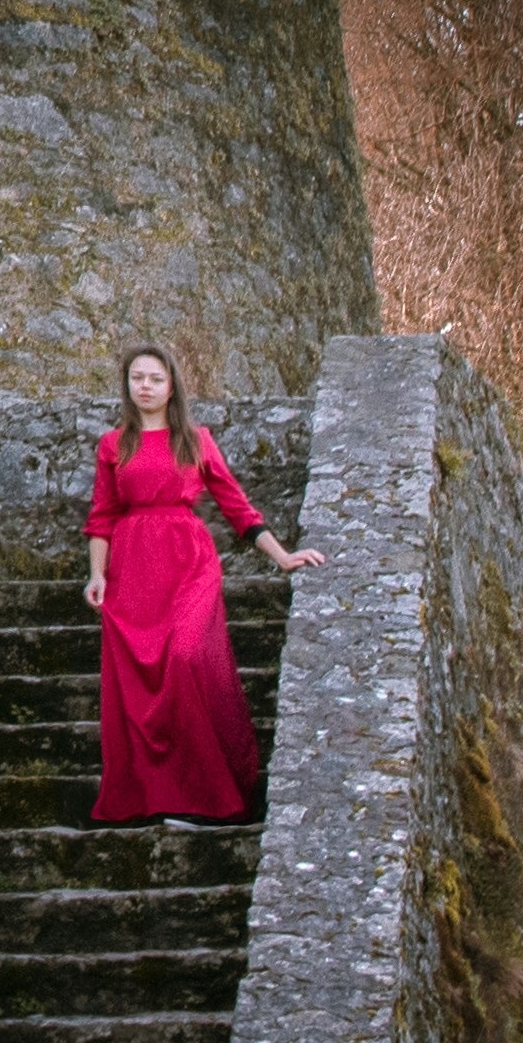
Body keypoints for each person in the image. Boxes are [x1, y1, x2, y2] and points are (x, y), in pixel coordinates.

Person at [86, 343, 319, 823]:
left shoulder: (195, 439)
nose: (145, 386)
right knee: (140, 685)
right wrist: (96, 575)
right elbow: (102, 515)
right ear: (127, 385)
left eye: (154, 378)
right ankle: (161, 798)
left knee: (187, 657)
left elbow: (236, 507)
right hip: (131, 569)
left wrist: (282, 556)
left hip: (188, 562)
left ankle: (213, 792)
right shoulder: (114, 444)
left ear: (172, 386)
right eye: (137, 378)